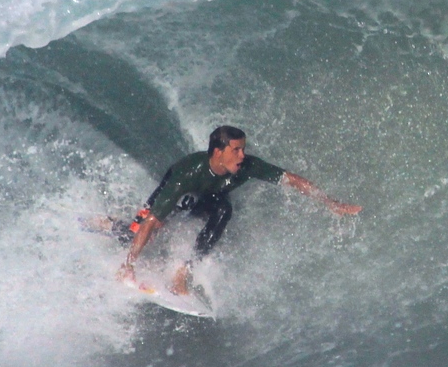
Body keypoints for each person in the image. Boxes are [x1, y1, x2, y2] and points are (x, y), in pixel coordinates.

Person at [116, 125, 360, 294]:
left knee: (223, 209)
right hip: (182, 191)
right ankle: (110, 227)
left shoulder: (247, 166)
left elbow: (292, 179)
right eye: (236, 150)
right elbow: (152, 221)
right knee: (140, 233)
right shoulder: (186, 174)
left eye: (243, 149)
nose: (243, 155)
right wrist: (129, 264)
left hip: (209, 197)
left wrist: (330, 203)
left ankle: (183, 271)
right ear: (218, 152)